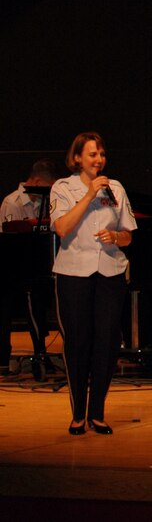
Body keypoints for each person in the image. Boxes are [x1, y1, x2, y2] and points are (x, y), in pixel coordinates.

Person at [50, 132, 136, 435]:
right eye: (91, 154)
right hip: (74, 273)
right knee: (78, 341)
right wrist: (87, 196)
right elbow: (62, 228)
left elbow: (128, 233)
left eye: (101, 154)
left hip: (109, 272)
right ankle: (78, 413)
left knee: (106, 342)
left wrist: (116, 237)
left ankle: (97, 412)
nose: (98, 159)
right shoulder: (63, 188)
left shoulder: (115, 188)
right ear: (77, 159)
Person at [1, 159, 61, 374]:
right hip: (13, 271)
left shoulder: (44, 202)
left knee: (43, 291)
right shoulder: (13, 203)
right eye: (46, 188)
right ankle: (38, 352)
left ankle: (45, 352)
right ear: (34, 181)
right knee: (31, 295)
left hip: (35, 268)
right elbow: (11, 246)